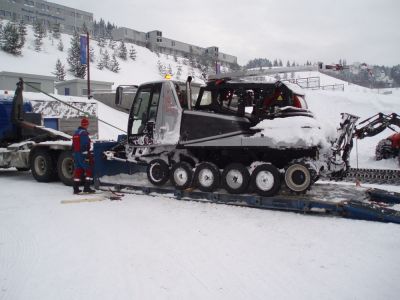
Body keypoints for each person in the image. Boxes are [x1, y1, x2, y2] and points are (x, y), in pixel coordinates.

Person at [72, 117, 95, 194]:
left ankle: (75, 188)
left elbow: (73, 145)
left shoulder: (76, 132)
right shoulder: (84, 133)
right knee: (89, 170)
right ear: (86, 125)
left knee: (78, 171)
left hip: (76, 154)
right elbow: (85, 144)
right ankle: (87, 188)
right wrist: (87, 153)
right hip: (82, 154)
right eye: (87, 124)